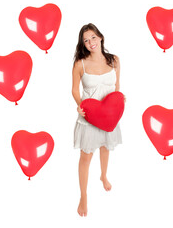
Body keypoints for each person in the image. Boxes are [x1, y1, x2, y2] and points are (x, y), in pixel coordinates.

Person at [72, 23, 123, 217]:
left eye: (93, 37)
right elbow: (75, 90)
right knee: (86, 156)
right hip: (90, 115)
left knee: (106, 146)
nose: (90, 42)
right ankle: (83, 196)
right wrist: (79, 105)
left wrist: (119, 100)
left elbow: (117, 86)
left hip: (110, 113)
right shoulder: (80, 64)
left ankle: (103, 176)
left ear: (100, 37)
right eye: (86, 40)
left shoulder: (115, 60)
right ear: (83, 44)